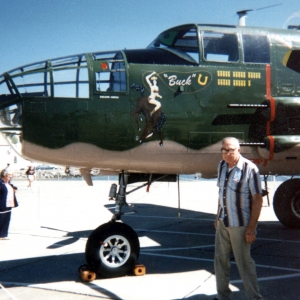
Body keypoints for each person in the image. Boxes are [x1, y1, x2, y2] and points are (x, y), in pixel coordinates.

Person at [214, 137, 263, 300]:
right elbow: (221, 194)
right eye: (224, 150)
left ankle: (255, 298)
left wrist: (251, 228)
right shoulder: (221, 166)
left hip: (240, 225)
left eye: (231, 150)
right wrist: (217, 216)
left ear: (239, 150)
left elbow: (258, 199)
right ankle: (223, 297)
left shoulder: (250, 168)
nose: (227, 154)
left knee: (244, 264)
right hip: (223, 222)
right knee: (220, 262)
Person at [0, 169, 18, 240]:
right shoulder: (0, 182)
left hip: (9, 204)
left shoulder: (8, 182)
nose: (11, 176)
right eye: (9, 175)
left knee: (6, 220)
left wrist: (14, 188)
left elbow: (11, 187)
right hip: (2, 204)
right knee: (1, 219)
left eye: (11, 175)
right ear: (4, 175)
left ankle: (2, 234)